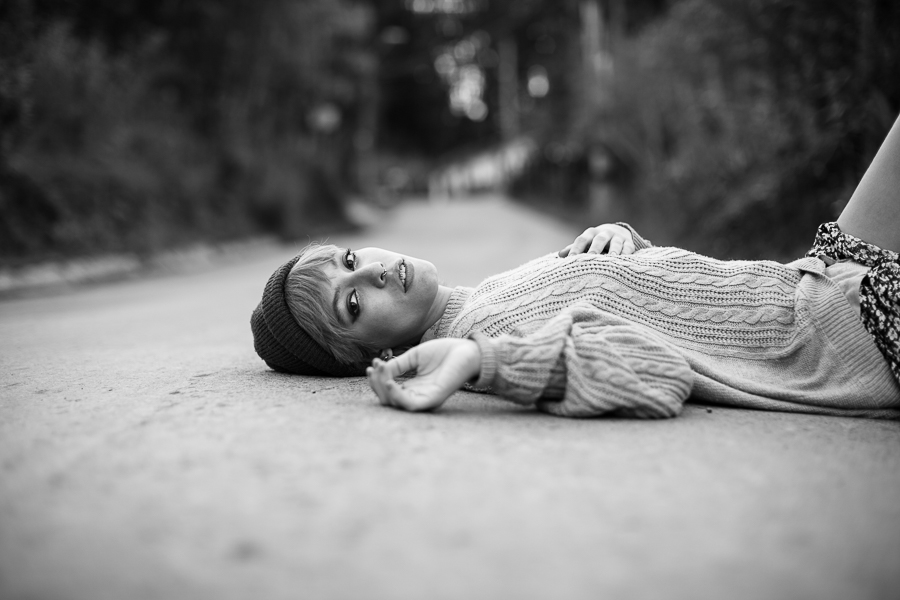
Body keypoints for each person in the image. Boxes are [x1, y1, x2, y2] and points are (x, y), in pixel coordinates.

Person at [250, 116, 900, 419]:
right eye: (352, 304)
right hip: (838, 333)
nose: (370, 274)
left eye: (351, 260)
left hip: (815, 277)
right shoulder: (484, 334)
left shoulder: (489, 294)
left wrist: (625, 243)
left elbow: (666, 308)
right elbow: (657, 374)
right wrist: (478, 361)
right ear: (378, 354)